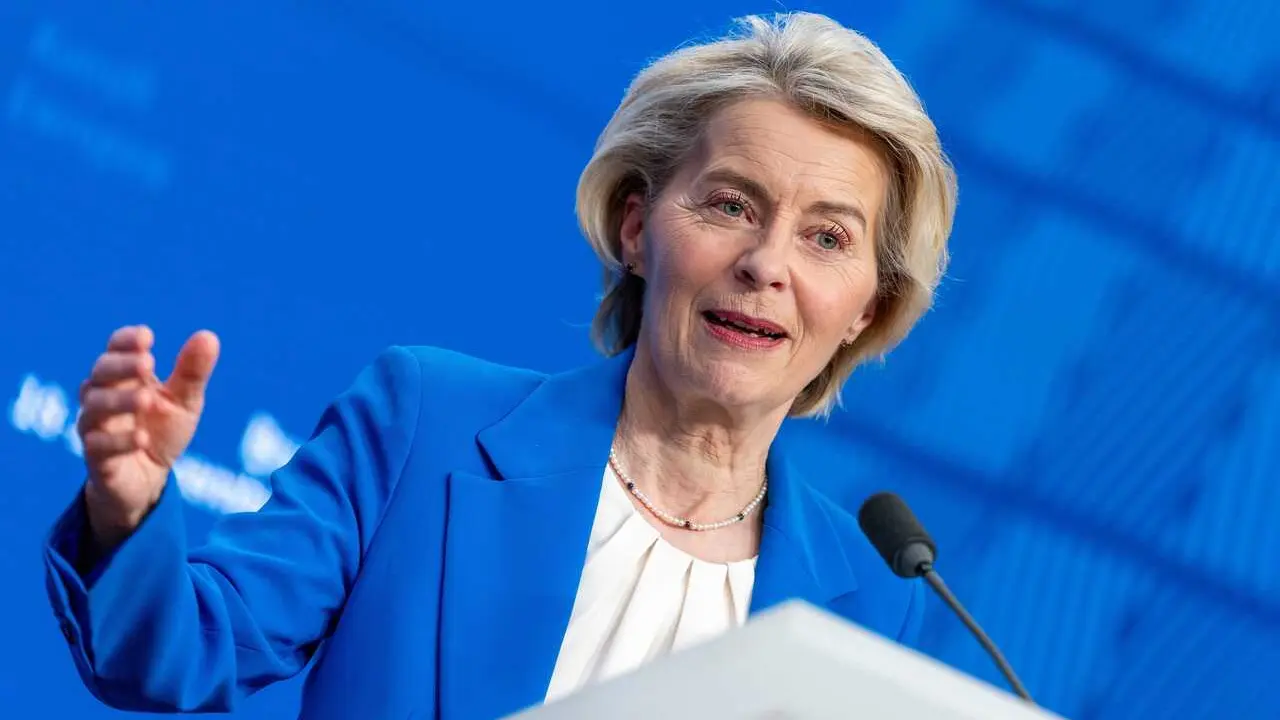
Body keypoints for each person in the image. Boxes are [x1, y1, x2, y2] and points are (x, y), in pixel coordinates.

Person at [45, 11, 956, 720]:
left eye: (826, 237)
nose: (767, 264)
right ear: (638, 228)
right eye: (729, 205)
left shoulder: (874, 600)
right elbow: (182, 651)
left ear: (865, 311)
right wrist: (125, 513)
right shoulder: (425, 425)